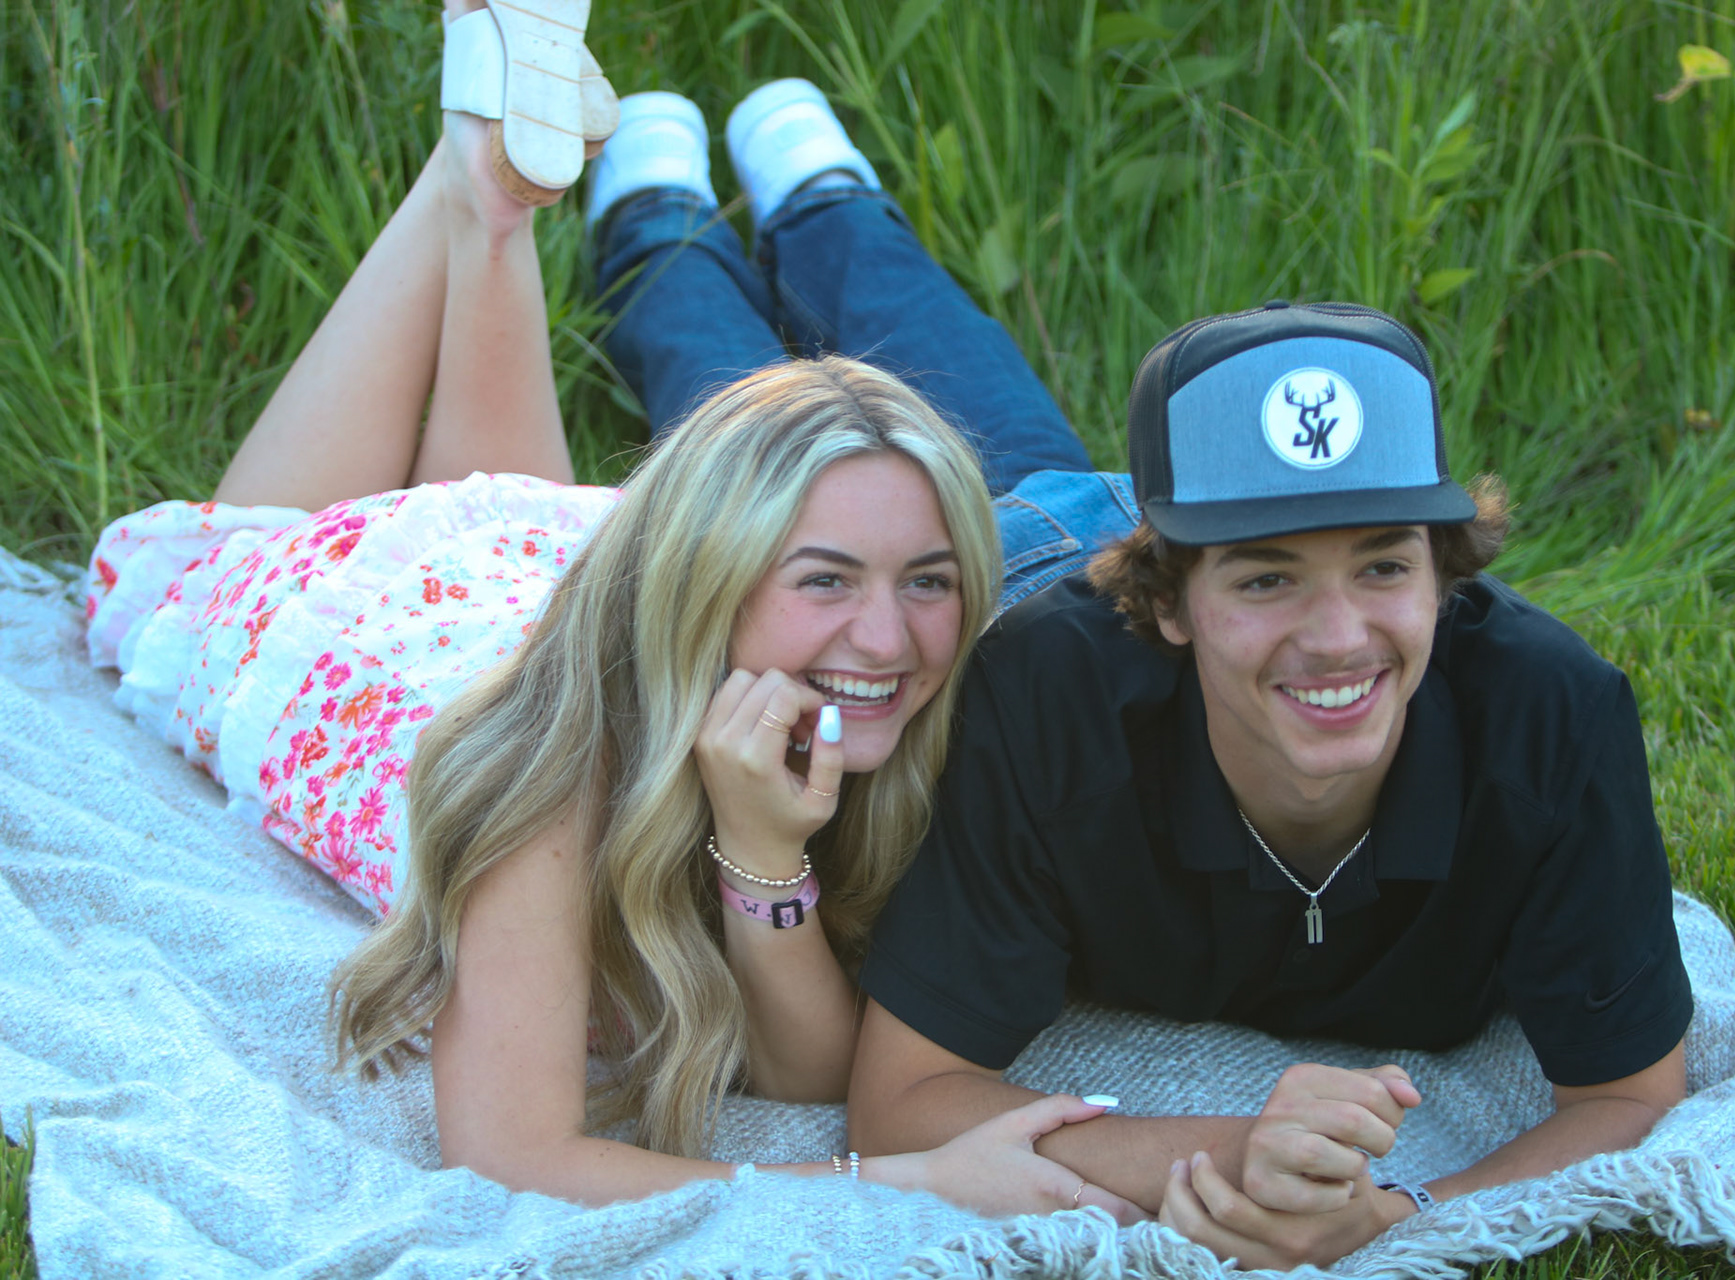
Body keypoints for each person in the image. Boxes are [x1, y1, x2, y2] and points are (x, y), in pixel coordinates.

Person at [82, 1, 1142, 1220]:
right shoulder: (548, 780)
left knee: (515, 472)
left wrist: (760, 851)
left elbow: (805, 1071)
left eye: (929, 579)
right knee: (229, 538)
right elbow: (515, 1156)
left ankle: (490, 174)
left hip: (531, 577)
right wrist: (906, 1181)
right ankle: (471, 166)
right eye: (826, 578)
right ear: (712, 573)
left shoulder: (850, 689)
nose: (890, 639)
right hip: (341, 614)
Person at [840, 302, 1697, 1268]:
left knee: (968, 404)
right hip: (1026, 561)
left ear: (1444, 576)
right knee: (809, 432)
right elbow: (901, 1102)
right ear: (1167, 601)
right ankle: (750, 220)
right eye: (1267, 580)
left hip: (1178, 514)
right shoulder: (1043, 697)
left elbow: (1630, 1097)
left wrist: (1399, 1213)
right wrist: (1242, 1156)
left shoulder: (1553, 715)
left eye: (1384, 565)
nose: (1338, 638)